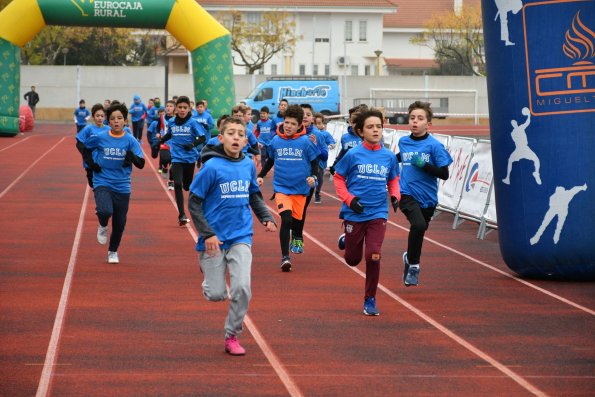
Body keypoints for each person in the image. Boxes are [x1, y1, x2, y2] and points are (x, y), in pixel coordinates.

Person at [189, 117, 277, 356]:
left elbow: (253, 194)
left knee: (242, 288)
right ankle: (209, 277)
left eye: (241, 134)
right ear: (221, 138)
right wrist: (207, 233)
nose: (236, 137)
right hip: (214, 238)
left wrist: (265, 217)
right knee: (216, 294)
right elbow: (194, 202)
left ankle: (232, 335)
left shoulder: (248, 164)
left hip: (241, 236)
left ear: (246, 140)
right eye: (231, 133)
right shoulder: (211, 168)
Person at [333, 109, 400, 316]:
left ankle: (370, 298)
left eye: (378, 127)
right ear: (361, 131)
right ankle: (347, 237)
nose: (375, 130)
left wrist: (396, 195)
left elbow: (393, 179)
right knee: (353, 260)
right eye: (370, 127)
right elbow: (338, 178)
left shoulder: (388, 156)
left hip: (378, 212)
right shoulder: (353, 154)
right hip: (354, 212)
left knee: (373, 255)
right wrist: (350, 200)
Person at [257, 104, 320, 272]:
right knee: (286, 219)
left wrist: (313, 177)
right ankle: (285, 257)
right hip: (282, 188)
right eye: (286, 122)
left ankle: (297, 236)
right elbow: (270, 160)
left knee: (296, 221)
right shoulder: (276, 141)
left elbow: (315, 164)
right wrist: (261, 176)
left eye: (293, 123)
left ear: (300, 125)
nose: (289, 126)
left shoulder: (306, 142)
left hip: (300, 190)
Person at [397, 101, 452, 287]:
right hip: (406, 193)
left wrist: (423, 165)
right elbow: (398, 158)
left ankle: (409, 257)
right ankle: (414, 266)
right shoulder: (403, 142)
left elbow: (444, 174)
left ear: (428, 124)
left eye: (420, 119)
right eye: (412, 118)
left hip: (428, 198)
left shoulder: (435, 146)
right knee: (418, 225)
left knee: (419, 231)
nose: (415, 121)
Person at [84, 102, 145, 264]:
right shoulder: (101, 137)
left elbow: (141, 164)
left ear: (125, 121)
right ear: (108, 122)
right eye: (112, 119)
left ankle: (113, 251)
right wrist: (91, 164)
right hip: (102, 180)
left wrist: (131, 156)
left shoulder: (131, 140)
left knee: (119, 222)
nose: (116, 121)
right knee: (104, 211)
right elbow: (85, 148)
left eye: (120, 118)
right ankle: (103, 225)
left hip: (122, 185)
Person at [160, 96, 207, 225]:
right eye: (180, 107)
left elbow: (202, 138)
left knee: (187, 185)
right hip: (176, 157)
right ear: (176, 108)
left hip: (190, 158)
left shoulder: (193, 122)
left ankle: (193, 197)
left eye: (184, 107)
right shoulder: (172, 122)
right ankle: (181, 214)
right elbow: (170, 134)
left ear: (188, 109)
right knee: (178, 184)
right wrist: (161, 140)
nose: (182, 110)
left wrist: (192, 144)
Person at [288, 103, 328, 255]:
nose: (305, 116)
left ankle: (297, 236)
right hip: (291, 175)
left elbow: (324, 156)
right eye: (302, 114)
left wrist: (315, 146)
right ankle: (293, 230)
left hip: (311, 175)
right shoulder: (289, 132)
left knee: (301, 207)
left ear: (313, 118)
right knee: (289, 209)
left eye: (308, 114)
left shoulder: (317, 134)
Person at [75, 103, 110, 188]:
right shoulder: (88, 129)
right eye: (97, 116)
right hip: (90, 164)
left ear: (104, 117)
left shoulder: (108, 129)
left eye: (102, 116)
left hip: (104, 163)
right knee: (94, 185)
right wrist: (88, 159)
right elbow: (79, 144)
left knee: (103, 187)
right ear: (93, 116)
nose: (100, 118)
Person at [329, 104, 368, 175]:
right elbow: (343, 152)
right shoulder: (345, 137)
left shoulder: (369, 137)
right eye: (353, 121)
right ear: (350, 121)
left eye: (358, 121)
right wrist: (335, 164)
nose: (356, 124)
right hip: (350, 172)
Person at [313, 113, 336, 203]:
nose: (318, 125)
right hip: (311, 158)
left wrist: (330, 146)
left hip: (321, 159)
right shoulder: (312, 132)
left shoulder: (326, 134)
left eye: (320, 123)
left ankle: (317, 193)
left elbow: (332, 142)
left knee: (319, 178)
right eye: (316, 123)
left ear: (323, 123)